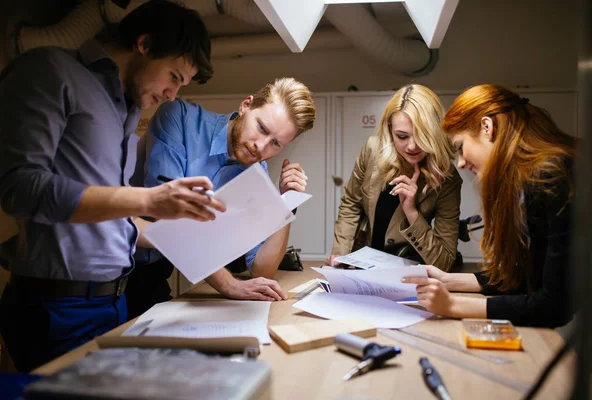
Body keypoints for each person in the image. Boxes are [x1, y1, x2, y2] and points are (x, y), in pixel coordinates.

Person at [0, 0, 226, 372]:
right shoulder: (50, 70)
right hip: (58, 306)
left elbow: (111, 217)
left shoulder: (126, 108)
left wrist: (188, 235)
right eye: (173, 76)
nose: (173, 95)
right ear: (145, 44)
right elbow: (20, 188)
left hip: (115, 301)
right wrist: (149, 198)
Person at [126, 77, 316, 318]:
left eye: (275, 143)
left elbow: (261, 269)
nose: (261, 146)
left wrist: (287, 204)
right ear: (246, 106)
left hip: (153, 273)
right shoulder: (179, 118)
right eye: (262, 128)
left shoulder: (256, 174)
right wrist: (228, 285)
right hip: (107, 267)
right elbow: (167, 219)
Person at [403, 84, 576, 328]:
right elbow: (525, 276)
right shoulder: (533, 178)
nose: (461, 163)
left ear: (487, 127)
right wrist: (450, 280)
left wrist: (453, 306)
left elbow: (554, 305)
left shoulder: (551, 176)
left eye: (460, 147)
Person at [327, 84, 462, 271]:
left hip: (409, 269)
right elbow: (351, 202)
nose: (412, 146)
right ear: (390, 130)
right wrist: (340, 253)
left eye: (421, 136)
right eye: (402, 136)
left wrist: (412, 212)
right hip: (364, 266)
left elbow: (444, 262)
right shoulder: (372, 150)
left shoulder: (447, 178)